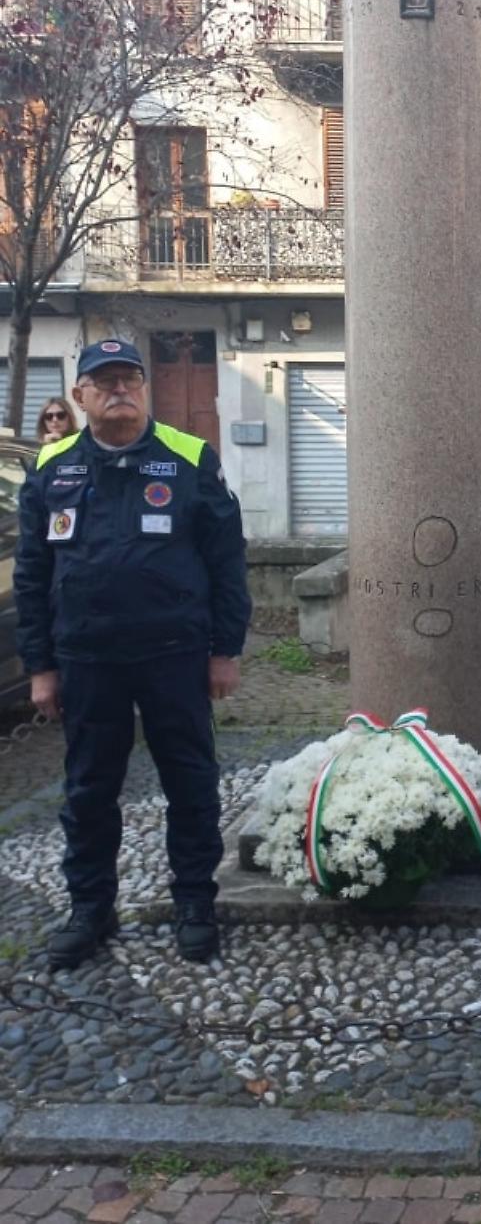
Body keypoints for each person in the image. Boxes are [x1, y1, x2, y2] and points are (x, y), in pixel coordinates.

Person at [15, 338, 251, 970]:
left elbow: (227, 562)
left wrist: (225, 651)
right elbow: (33, 575)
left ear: (143, 390)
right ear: (82, 394)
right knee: (89, 791)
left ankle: (195, 905)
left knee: (191, 784)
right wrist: (40, 667)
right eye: (105, 381)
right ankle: (91, 909)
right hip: (89, 659)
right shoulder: (52, 466)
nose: (119, 389)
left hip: (173, 653)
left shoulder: (189, 457)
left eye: (130, 379)